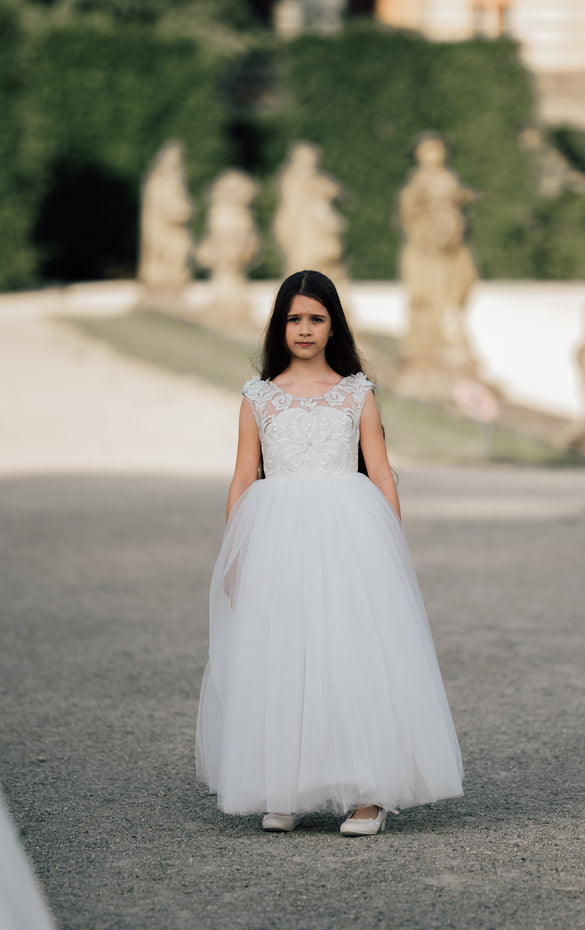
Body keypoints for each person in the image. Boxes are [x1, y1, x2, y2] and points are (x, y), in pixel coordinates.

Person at [196, 270, 463, 836]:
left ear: (333, 325)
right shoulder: (258, 396)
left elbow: (382, 472)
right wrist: (236, 552)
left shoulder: (355, 392)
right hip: (277, 536)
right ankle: (286, 785)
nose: (305, 329)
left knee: (349, 651)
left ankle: (369, 791)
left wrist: (388, 544)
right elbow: (244, 475)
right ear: (279, 325)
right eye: (294, 318)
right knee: (284, 652)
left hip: (349, 534)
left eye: (316, 318)